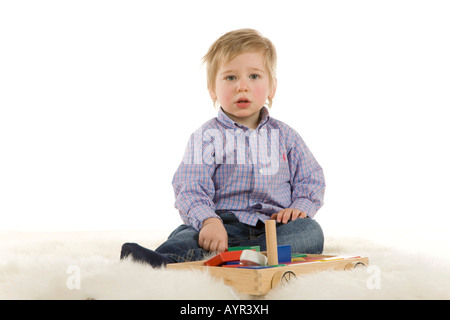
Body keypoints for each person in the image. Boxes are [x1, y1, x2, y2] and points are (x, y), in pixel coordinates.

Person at [120, 28, 326, 268]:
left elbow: (311, 178)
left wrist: (299, 207)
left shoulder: (286, 136)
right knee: (186, 236)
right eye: (230, 78)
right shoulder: (207, 136)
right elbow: (190, 186)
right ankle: (159, 263)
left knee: (310, 231)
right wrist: (208, 221)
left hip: (272, 230)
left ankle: (251, 256)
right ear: (212, 90)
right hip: (221, 228)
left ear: (272, 88)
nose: (242, 86)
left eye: (254, 76)